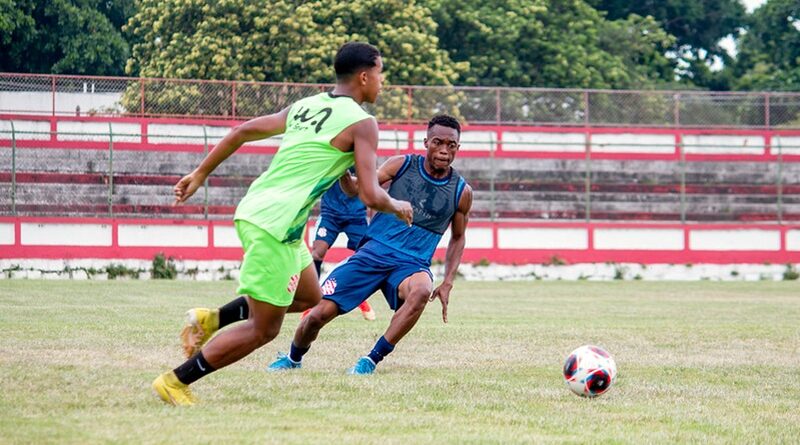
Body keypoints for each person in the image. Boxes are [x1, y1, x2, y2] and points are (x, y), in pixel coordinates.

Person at [152, 41, 413, 406]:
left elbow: (242, 131)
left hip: (272, 217)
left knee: (310, 296)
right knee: (265, 328)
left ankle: (210, 319)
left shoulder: (306, 106)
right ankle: (175, 381)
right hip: (276, 223)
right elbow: (371, 196)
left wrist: (200, 173)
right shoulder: (363, 123)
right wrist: (398, 205)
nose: (383, 82)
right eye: (382, 74)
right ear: (365, 76)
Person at [269, 114, 471, 374]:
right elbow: (356, 188)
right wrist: (343, 167)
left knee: (422, 289)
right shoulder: (402, 165)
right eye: (437, 142)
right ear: (426, 142)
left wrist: (448, 281)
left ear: (458, 147)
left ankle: (371, 359)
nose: (444, 150)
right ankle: (293, 358)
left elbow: (458, 236)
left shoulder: (461, 191)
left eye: (451, 145)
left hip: (410, 265)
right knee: (318, 315)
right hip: (371, 254)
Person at [308, 173, 376, 321]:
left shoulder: (361, 155)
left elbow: (372, 182)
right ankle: (312, 303)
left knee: (367, 256)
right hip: (330, 214)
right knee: (316, 254)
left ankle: (361, 301)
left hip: (356, 216)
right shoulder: (332, 152)